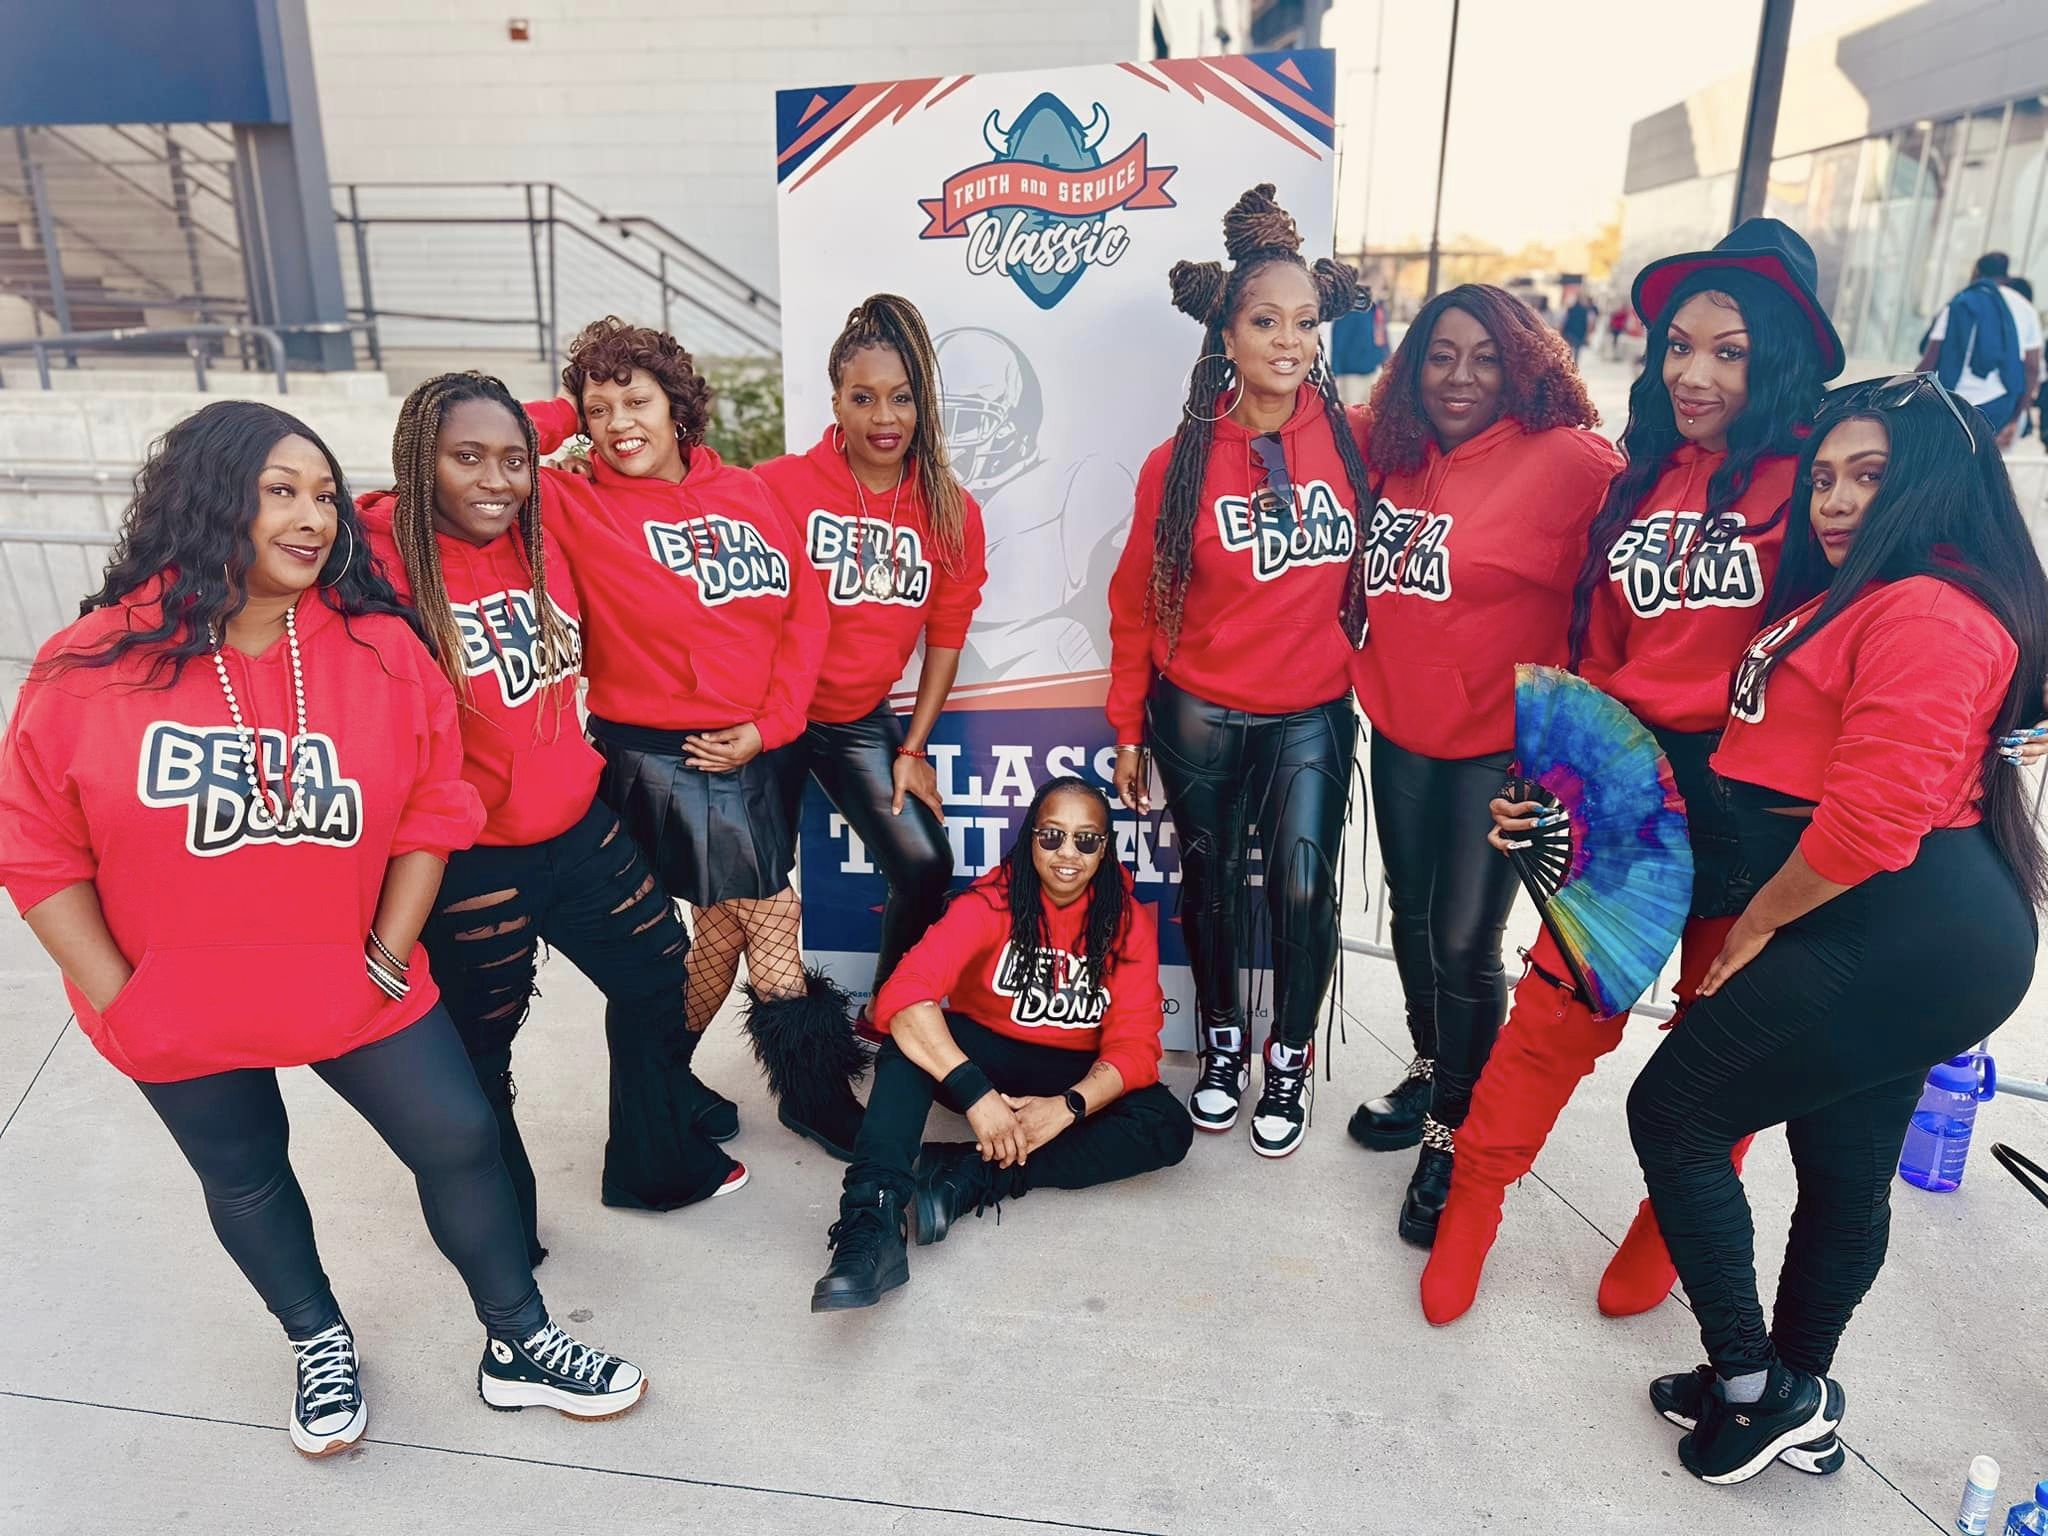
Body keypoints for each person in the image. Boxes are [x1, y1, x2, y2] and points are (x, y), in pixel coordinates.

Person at [0, 401, 646, 1460]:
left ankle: (520, 1342)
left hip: (348, 981)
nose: (312, 518)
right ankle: (317, 1339)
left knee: (460, 1136)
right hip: (176, 1002)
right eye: (279, 491)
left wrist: (389, 952)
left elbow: (436, 804)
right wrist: (123, 997)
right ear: (208, 500)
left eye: (323, 495)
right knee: (246, 1173)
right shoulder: (90, 665)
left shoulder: (378, 649)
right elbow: (35, 847)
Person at [1419, 218, 1839, 1327]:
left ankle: (1669, 1223)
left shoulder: (1822, 483)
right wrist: (1548, 769)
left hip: (1757, 805)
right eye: (1677, 346)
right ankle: (1472, 1202)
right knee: (1553, 1013)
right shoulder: (1640, 477)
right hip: (1622, 786)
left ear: (1781, 354)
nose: (1692, 373)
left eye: (1728, 350)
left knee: (1719, 1037)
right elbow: (1588, 647)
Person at [1629, 375, 2045, 1486]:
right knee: (1842, 1163)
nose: (1833, 499)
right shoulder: (1870, 593)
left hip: (1889, 924)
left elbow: (1871, 818)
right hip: (1889, 924)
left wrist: (1752, 927)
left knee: (1669, 1112)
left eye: (1868, 476)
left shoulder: (1928, 610)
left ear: (1932, 484)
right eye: (1822, 476)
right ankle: (1787, 1394)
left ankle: (1752, 1385)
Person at [360, 372, 745, 1266]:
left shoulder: (543, 530)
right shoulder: (381, 552)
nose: (496, 480)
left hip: (577, 825)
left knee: (658, 979)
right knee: (482, 1055)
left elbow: (523, 439)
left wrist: (562, 415)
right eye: (466, 460)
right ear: (422, 463)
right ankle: (501, 1228)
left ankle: (653, 1165)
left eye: (512, 461)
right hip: (467, 857)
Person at [523, 320, 864, 1160]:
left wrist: (773, 725)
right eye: (596, 408)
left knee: (723, 921)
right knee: (772, 912)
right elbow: (467, 445)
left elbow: (804, 614)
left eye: (635, 399)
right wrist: (557, 424)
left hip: (758, 748)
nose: (617, 422)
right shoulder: (573, 501)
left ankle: (662, 1078)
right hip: (670, 756)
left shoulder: (748, 492)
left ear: (679, 407)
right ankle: (814, 1093)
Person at [1341, 284, 1619, 1245]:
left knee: (1464, 942)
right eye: (1441, 355)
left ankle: (1456, 1132)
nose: (1461, 376)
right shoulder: (1396, 449)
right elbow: (1283, 398)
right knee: (1412, 922)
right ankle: (1434, 1072)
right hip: (1404, 731)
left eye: (1486, 356)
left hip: (1500, 755)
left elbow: (1628, 572)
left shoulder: (1570, 460)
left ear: (1526, 365)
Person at [1106, 183, 1375, 1158]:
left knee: (1301, 890)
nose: (1289, 341)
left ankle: (1287, 1056)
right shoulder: (1177, 461)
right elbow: (1135, 603)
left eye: (1304, 322)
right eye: (1266, 320)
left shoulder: (1355, 441)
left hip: (1310, 710)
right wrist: (1129, 726)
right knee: (1213, 886)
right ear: (1225, 331)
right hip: (1200, 716)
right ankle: (1222, 1048)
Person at [809, 776, 1193, 1310]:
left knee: (1167, 1128)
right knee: (909, 1039)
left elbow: (1134, 1046)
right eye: (1052, 835)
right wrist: (977, 1097)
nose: (1068, 854)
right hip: (985, 1055)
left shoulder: (1126, 921)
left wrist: (1067, 1108)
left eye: (1087, 840)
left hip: (1070, 1069)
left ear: (1105, 849)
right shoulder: (988, 903)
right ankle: (871, 1220)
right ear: (1029, 837)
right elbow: (902, 993)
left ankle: (973, 1174)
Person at [755, 295, 988, 1022]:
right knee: (750, 896)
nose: (883, 418)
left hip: (855, 717)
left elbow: (946, 633)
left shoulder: (949, 508)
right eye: (863, 398)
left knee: (924, 863)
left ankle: (887, 1012)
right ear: (836, 401)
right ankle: (695, 1068)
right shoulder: (777, 488)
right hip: (768, 713)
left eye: (902, 398)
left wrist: (913, 745)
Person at [1918, 251, 2043, 447]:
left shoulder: (1961, 302)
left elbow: (1928, 363)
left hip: (1952, 403)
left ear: (1976, 272)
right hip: (1999, 406)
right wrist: (2015, 418)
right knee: (1984, 470)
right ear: (2007, 275)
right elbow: (2032, 368)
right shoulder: (2025, 308)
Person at [1330, 291, 1390, 406]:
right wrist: (1335, 372)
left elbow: (1381, 336)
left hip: (1371, 370)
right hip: (1351, 374)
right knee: (1350, 413)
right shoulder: (1351, 308)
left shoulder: (1377, 308)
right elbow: (1339, 339)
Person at [1561, 292, 1598, 366]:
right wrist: (1588, 334)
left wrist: (1562, 330)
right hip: (1580, 333)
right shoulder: (1586, 310)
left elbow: (1564, 320)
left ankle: (1567, 363)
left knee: (1569, 348)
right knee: (1577, 350)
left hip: (1570, 331)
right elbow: (1588, 323)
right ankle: (1575, 364)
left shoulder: (1570, 309)